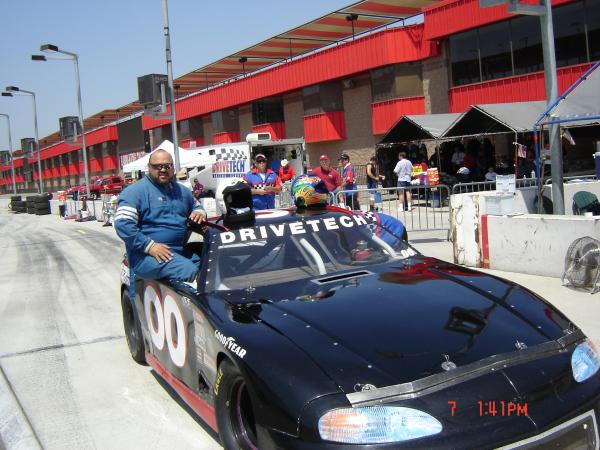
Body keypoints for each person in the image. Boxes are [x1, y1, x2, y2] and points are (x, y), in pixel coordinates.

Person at [114, 149, 207, 284]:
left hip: (178, 251)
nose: (163, 170)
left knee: (211, 266)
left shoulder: (182, 191)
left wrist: (199, 212)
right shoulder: (135, 192)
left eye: (167, 166)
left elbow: (196, 205)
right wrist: (149, 246)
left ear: (173, 168)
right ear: (148, 168)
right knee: (191, 271)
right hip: (147, 256)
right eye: (157, 166)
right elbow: (123, 224)